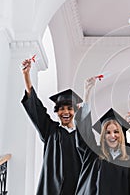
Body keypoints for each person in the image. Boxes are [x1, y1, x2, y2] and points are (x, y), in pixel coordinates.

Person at [21, 58, 82, 194]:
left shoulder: (81, 136)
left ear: (75, 111)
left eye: (69, 108)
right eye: (61, 109)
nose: (65, 112)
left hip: (75, 189)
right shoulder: (50, 130)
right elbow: (37, 108)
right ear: (57, 112)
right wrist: (26, 75)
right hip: (52, 189)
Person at [74, 76, 130, 195]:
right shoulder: (94, 153)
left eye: (116, 132)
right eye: (108, 132)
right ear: (103, 135)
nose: (112, 135)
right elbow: (85, 133)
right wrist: (87, 93)